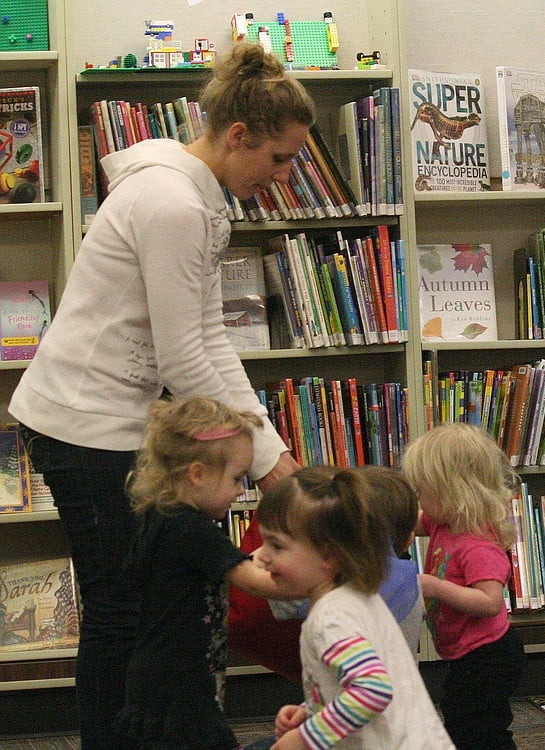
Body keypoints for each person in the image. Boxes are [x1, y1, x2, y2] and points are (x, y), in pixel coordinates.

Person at [8, 42, 311, 748]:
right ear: (237, 135)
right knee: (120, 610)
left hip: (110, 421)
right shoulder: (172, 202)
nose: (285, 175)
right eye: (277, 157)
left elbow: (208, 339)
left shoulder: (196, 199)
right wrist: (266, 460)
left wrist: (271, 450)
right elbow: (185, 355)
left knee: (135, 605)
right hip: (83, 424)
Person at [114, 397, 299, 750]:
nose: (241, 490)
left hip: (155, 677)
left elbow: (241, 562)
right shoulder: (193, 531)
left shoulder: (160, 517)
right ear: (198, 474)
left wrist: (269, 552)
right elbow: (258, 582)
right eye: (236, 478)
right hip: (180, 685)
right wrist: (321, 576)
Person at [255, 465, 455, 749]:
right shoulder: (358, 597)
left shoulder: (331, 618)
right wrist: (311, 711)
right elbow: (363, 678)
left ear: (327, 555)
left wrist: (305, 738)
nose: (261, 557)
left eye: (275, 545)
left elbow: (372, 689)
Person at [229, 464, 426, 683]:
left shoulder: (323, 584)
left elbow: (251, 574)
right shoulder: (411, 586)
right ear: (409, 540)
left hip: (353, 708)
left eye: (275, 545)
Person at [402, 422, 527, 750]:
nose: (419, 499)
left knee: (478, 731)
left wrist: (435, 586)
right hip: (467, 654)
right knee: (465, 721)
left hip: (488, 656)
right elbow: (408, 520)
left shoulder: (477, 544)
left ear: (451, 492)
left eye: (422, 491)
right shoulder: (444, 520)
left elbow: (489, 602)